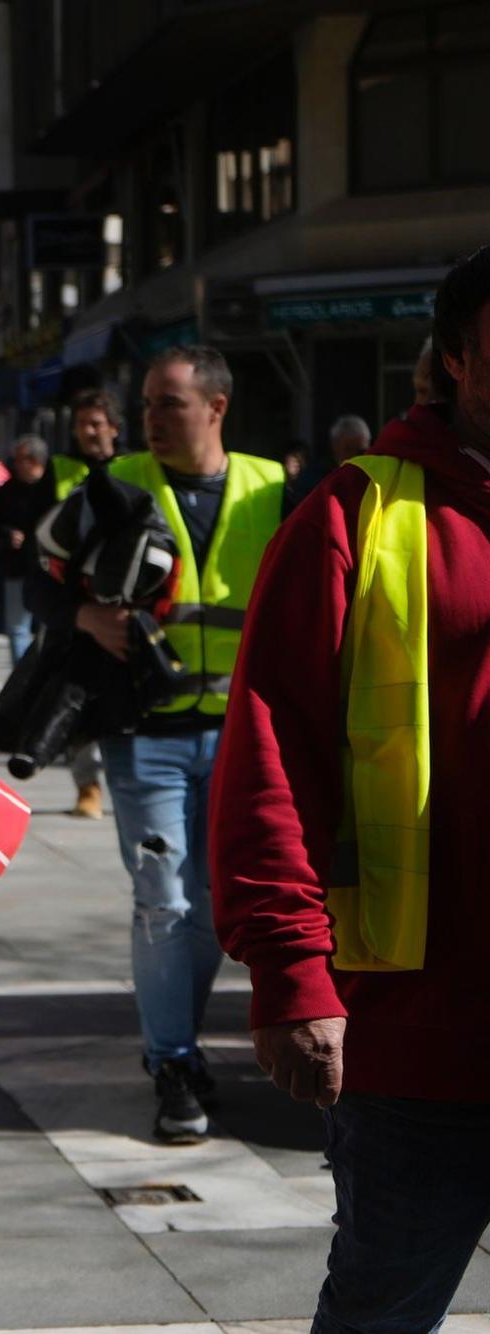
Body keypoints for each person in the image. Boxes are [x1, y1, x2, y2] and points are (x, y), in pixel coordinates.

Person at [212, 247, 490, 1332]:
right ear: (456, 360)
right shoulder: (356, 515)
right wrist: (290, 969)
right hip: (419, 1041)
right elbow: (272, 751)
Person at [72, 345, 286, 1144]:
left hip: (242, 734)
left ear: (217, 407)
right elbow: (40, 567)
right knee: (164, 898)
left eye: (169, 403)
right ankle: (172, 1061)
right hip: (146, 731)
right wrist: (79, 616)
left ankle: (186, 1049)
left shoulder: (276, 486)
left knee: (212, 908)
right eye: (148, 404)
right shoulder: (114, 482)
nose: (152, 419)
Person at [60, 389, 122, 817]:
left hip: (127, 604)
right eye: (81, 424)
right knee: (76, 700)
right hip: (76, 605)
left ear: (114, 428)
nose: (88, 432)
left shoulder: (135, 470)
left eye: (96, 423)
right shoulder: (62, 472)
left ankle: (122, 778)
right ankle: (88, 785)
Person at [0, 435, 54, 663]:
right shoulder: (8, 490)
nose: (16, 464)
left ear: (35, 461)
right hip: (16, 568)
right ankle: (21, 678)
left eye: (21, 459)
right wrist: (8, 535)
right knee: (17, 628)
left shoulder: (52, 488)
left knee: (50, 627)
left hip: (48, 570)